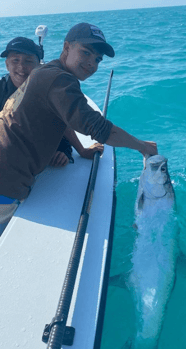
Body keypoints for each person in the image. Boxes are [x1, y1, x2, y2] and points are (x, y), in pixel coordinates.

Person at [0, 22, 157, 229]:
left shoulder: (46, 71)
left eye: (97, 59)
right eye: (85, 52)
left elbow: (59, 118)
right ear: (66, 48)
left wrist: (80, 149)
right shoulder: (59, 79)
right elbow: (99, 129)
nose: (91, 63)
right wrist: (143, 147)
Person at [0, 36, 100, 168]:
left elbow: (62, 121)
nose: (21, 67)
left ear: (38, 65)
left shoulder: (50, 87)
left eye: (28, 61)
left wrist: (69, 149)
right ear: (7, 65)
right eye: (15, 60)